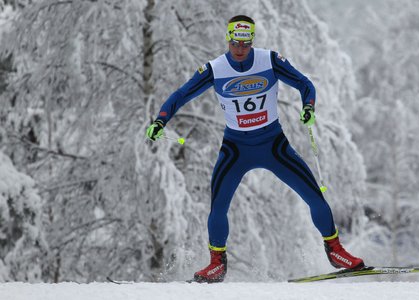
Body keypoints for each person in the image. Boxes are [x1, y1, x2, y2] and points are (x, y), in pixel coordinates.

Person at [146, 15, 364, 283]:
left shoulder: (269, 60)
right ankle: (216, 263)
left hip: (273, 145)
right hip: (236, 149)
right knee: (218, 207)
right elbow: (181, 95)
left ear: (252, 42)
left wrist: (308, 107)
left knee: (314, 196)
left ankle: (335, 250)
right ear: (228, 39)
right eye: (236, 43)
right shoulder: (215, 69)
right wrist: (160, 120)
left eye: (245, 44)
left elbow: (304, 84)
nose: (240, 49)